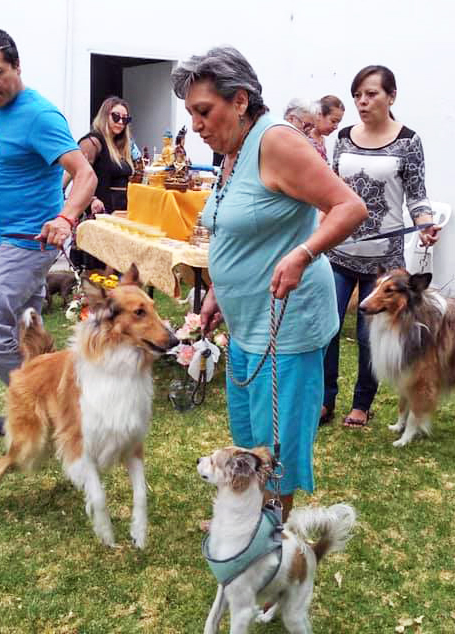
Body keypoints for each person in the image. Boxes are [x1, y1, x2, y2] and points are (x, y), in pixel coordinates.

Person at [172, 47, 367, 520]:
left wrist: (302, 253)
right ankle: (253, 526)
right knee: (250, 442)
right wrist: (219, 290)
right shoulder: (232, 151)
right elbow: (237, 230)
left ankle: (271, 551)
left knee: (275, 453)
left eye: (204, 111)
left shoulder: (275, 141)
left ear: (239, 100)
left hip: (286, 328)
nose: (196, 124)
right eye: (192, 114)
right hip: (246, 324)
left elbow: (350, 207)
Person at [0, 27, 97, 435]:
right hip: (4, 236)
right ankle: (55, 400)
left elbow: (84, 175)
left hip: (30, 241)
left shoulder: (39, 115)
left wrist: (66, 217)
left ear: (16, 65)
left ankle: (37, 405)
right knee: (25, 330)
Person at [321, 65, 440, 429]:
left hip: (383, 262)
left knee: (370, 335)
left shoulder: (408, 141)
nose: (362, 101)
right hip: (338, 253)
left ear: (392, 96)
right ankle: (324, 401)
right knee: (327, 329)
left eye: (371, 94)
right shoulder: (342, 137)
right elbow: (329, 190)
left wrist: (424, 224)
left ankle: (362, 404)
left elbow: (418, 197)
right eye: (358, 94)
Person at [65, 97, 134, 271]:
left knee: (116, 266)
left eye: (125, 119)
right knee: (97, 268)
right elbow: (76, 174)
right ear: (105, 115)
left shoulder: (120, 145)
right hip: (99, 211)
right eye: (116, 116)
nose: (121, 122)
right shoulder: (93, 141)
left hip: (119, 213)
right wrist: (91, 199)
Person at [310, 95, 345, 162]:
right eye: (333, 121)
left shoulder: (321, 140)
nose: (336, 127)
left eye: (338, 122)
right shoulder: (304, 138)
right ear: (319, 115)